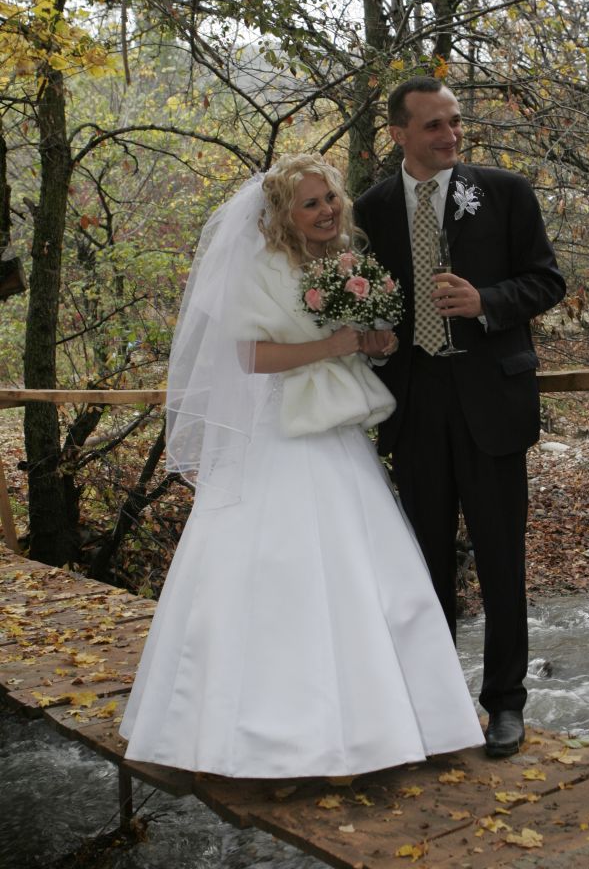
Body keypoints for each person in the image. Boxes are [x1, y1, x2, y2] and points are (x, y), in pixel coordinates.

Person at [120, 152, 484, 778]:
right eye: (310, 203)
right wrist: (332, 345)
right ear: (284, 213)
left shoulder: (345, 264)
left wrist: (374, 343)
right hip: (278, 434)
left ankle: (392, 724)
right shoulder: (260, 267)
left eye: (331, 198)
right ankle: (276, 738)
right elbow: (250, 358)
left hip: (337, 432)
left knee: (365, 568)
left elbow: (353, 345)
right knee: (279, 573)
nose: (326, 211)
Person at [354, 78, 566, 758]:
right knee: (424, 564)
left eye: (454, 122)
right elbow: (362, 302)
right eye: (433, 126)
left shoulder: (506, 192)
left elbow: (547, 280)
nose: (451, 135)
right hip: (413, 405)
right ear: (398, 135)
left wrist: (486, 303)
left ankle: (504, 704)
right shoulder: (370, 210)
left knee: (501, 559)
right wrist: (371, 339)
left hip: (492, 403)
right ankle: (436, 705)